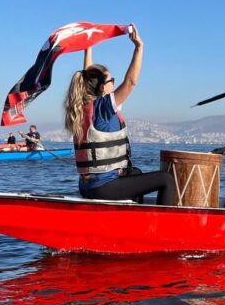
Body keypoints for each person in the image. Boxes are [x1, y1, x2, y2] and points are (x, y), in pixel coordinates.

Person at [65, 24, 175, 204]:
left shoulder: (82, 106)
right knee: (166, 179)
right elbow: (131, 82)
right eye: (111, 80)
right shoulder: (104, 108)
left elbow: (88, 76)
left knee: (135, 173)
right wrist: (139, 48)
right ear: (102, 88)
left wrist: (88, 46)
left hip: (87, 186)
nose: (114, 84)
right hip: (102, 188)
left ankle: (132, 220)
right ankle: (164, 228)